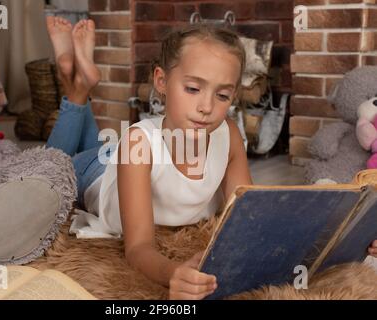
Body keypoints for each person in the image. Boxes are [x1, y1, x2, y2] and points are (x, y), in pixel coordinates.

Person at [44, 16, 377, 300]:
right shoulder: (138, 144)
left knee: (84, 147)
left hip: (119, 156)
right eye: (193, 89)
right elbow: (138, 248)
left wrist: (347, 237)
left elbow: (252, 216)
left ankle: (81, 86)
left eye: (222, 95)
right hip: (98, 169)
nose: (206, 107)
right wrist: (172, 272)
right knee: (51, 165)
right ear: (162, 81)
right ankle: (75, 90)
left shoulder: (227, 133)